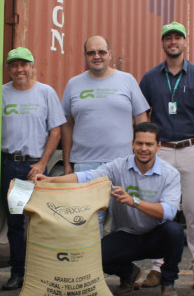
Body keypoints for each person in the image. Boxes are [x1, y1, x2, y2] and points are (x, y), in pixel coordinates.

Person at [35, 122, 184, 296]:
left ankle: (168, 283)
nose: (143, 148)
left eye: (149, 144)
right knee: (95, 256)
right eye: (139, 143)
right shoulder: (118, 166)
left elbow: (169, 211)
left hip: (156, 235)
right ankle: (129, 273)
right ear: (132, 144)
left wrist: (134, 201)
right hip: (126, 234)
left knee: (175, 231)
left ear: (158, 146)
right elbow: (88, 176)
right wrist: (52, 180)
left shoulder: (170, 174)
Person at [139, 21, 194, 290]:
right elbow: (142, 115)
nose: (173, 41)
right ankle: (156, 267)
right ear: (162, 43)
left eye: (178, 37)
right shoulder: (150, 77)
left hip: (192, 149)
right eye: (168, 38)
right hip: (161, 152)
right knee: (160, 212)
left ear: (185, 42)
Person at [61, 35, 149, 234]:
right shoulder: (73, 84)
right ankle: (94, 266)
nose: (97, 56)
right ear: (85, 56)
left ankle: (121, 265)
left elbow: (141, 119)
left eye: (101, 52)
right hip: (85, 165)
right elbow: (66, 125)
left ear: (110, 54)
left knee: (124, 222)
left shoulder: (127, 81)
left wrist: (142, 156)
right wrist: (67, 163)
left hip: (122, 164)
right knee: (90, 223)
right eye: (91, 53)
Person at [0, 47, 65, 290]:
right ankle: (18, 273)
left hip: (34, 168)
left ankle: (43, 273)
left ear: (31, 66)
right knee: (16, 223)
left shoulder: (45, 93)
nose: (19, 70)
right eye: (14, 65)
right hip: (10, 167)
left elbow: (56, 131)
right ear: (9, 69)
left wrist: (41, 164)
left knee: (41, 222)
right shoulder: (1, 94)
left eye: (23, 65)